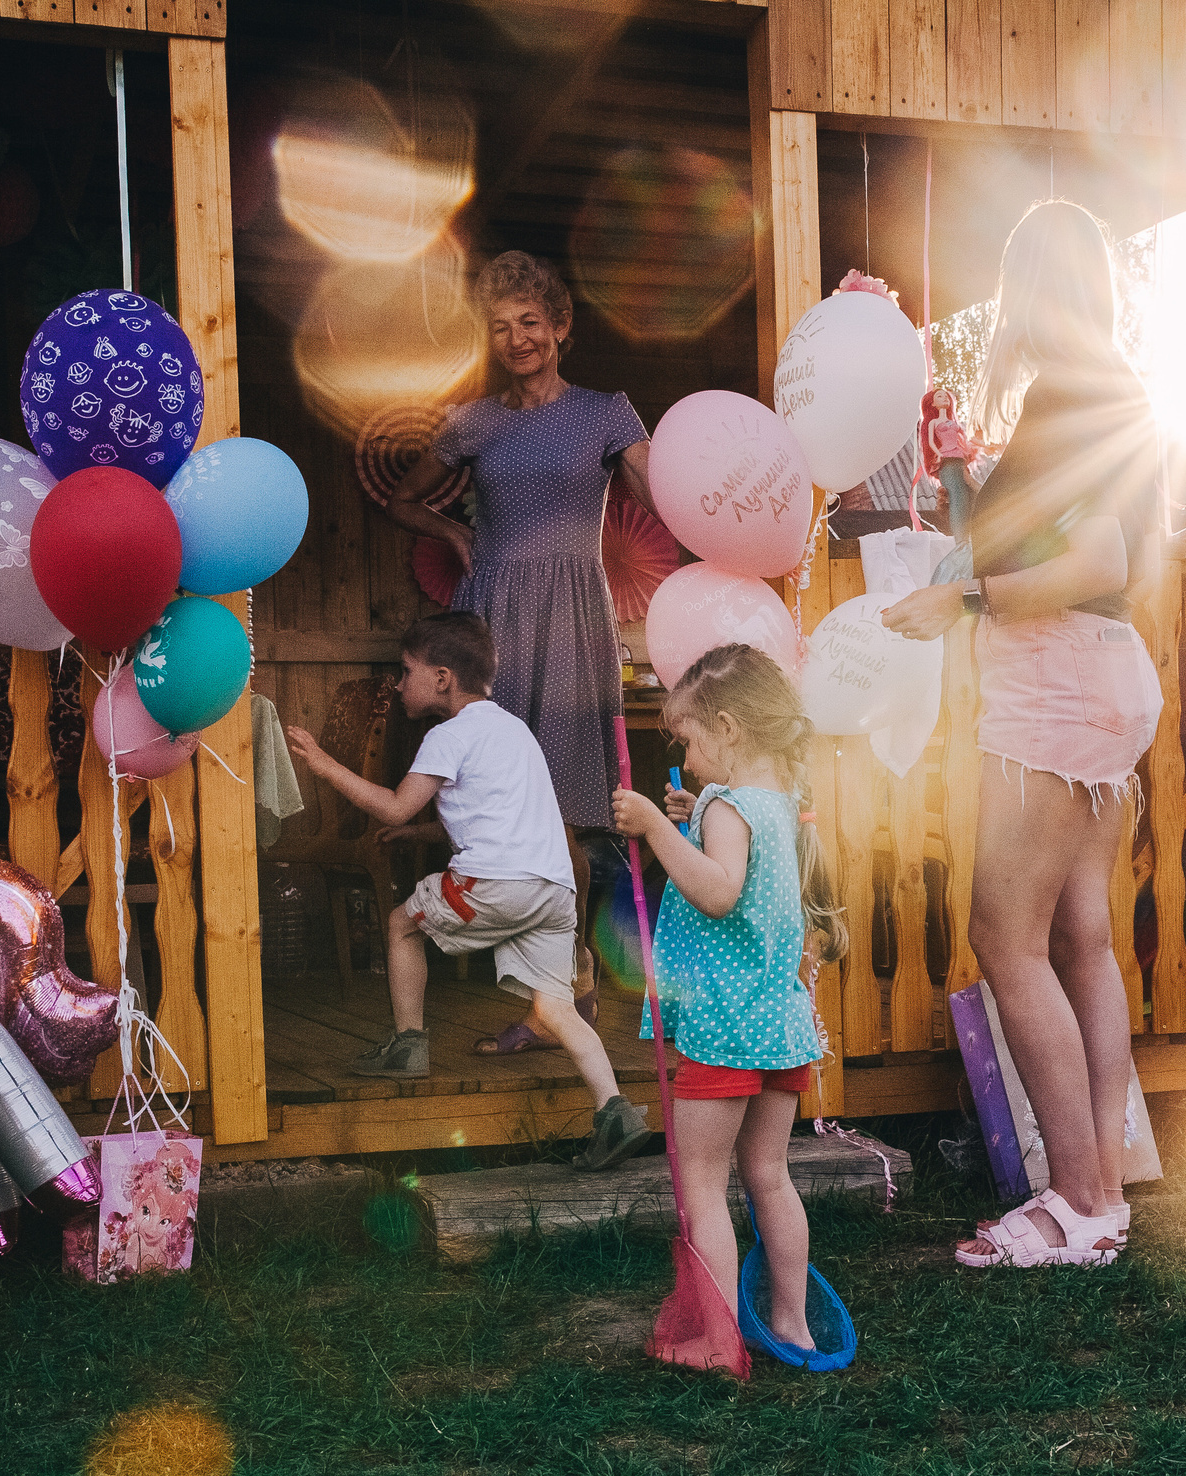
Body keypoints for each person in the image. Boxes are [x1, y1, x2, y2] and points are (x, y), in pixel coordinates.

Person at [879, 201, 1163, 1267]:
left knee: (1003, 934)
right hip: (1100, 681)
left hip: (1055, 682)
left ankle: (1076, 1198)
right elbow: (1014, 542)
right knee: (1079, 939)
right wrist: (960, 470)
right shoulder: (1103, 388)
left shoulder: (1078, 390)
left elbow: (1097, 561)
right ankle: (1101, 1193)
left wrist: (962, 605)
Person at [385, 250, 656, 1060]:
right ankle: (549, 1006)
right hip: (494, 618)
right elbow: (403, 498)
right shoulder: (474, 422)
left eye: (530, 323)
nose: (517, 339)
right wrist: (452, 529)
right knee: (507, 815)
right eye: (501, 328)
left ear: (561, 325)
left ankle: (568, 1003)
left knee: (575, 810)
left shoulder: (608, 412)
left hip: (575, 619)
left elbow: (669, 494)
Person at [284, 612, 647, 1161]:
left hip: (496, 883)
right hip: (552, 891)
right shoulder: (513, 730)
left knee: (402, 924)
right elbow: (501, 814)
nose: (399, 683)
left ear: (442, 678)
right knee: (555, 1010)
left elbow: (392, 801)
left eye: (407, 671)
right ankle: (614, 1110)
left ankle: (409, 1045)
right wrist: (419, 831)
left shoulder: (446, 736)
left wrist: (324, 765)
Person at [607, 643, 848, 1356]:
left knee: (704, 1185)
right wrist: (691, 818)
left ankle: (716, 1339)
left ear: (730, 728)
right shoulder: (778, 803)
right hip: (777, 1027)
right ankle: (792, 1322)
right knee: (770, 1177)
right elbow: (733, 869)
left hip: (721, 1027)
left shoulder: (727, 805)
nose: (685, 753)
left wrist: (656, 825)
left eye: (687, 738)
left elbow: (717, 892)